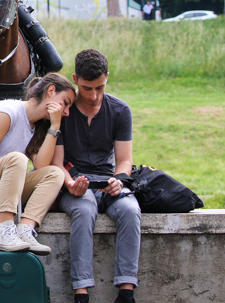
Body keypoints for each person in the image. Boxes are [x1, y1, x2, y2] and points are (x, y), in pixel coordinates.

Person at [51, 49, 140, 303]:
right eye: (88, 88)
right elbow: (56, 163)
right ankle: (82, 293)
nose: (93, 96)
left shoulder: (120, 110)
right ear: (75, 79)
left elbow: (124, 160)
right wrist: (70, 185)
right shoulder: (63, 114)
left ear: (107, 78)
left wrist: (119, 180)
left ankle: (126, 292)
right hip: (73, 181)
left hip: (107, 181)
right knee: (85, 209)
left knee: (130, 209)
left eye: (99, 88)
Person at [0, 73, 74, 255]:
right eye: (66, 103)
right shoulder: (8, 111)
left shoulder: (36, 126)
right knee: (18, 159)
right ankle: (6, 231)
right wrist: (15, 170)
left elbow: (41, 166)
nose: (67, 112)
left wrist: (54, 127)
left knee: (55, 174)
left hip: (2, 188)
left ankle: (25, 230)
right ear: (51, 91)